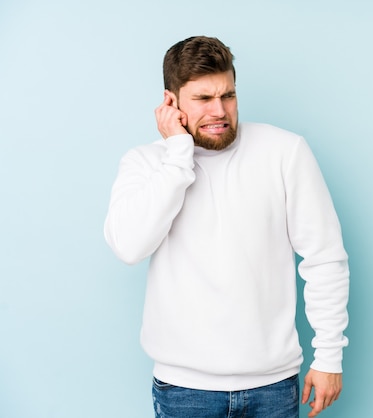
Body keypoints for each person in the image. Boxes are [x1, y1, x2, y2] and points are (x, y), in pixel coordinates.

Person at [103, 36, 350, 418]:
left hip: (274, 387)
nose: (219, 111)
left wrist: (329, 356)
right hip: (185, 391)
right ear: (171, 102)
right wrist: (178, 154)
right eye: (203, 99)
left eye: (228, 95)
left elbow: (324, 258)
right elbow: (129, 246)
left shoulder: (285, 152)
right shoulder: (146, 164)